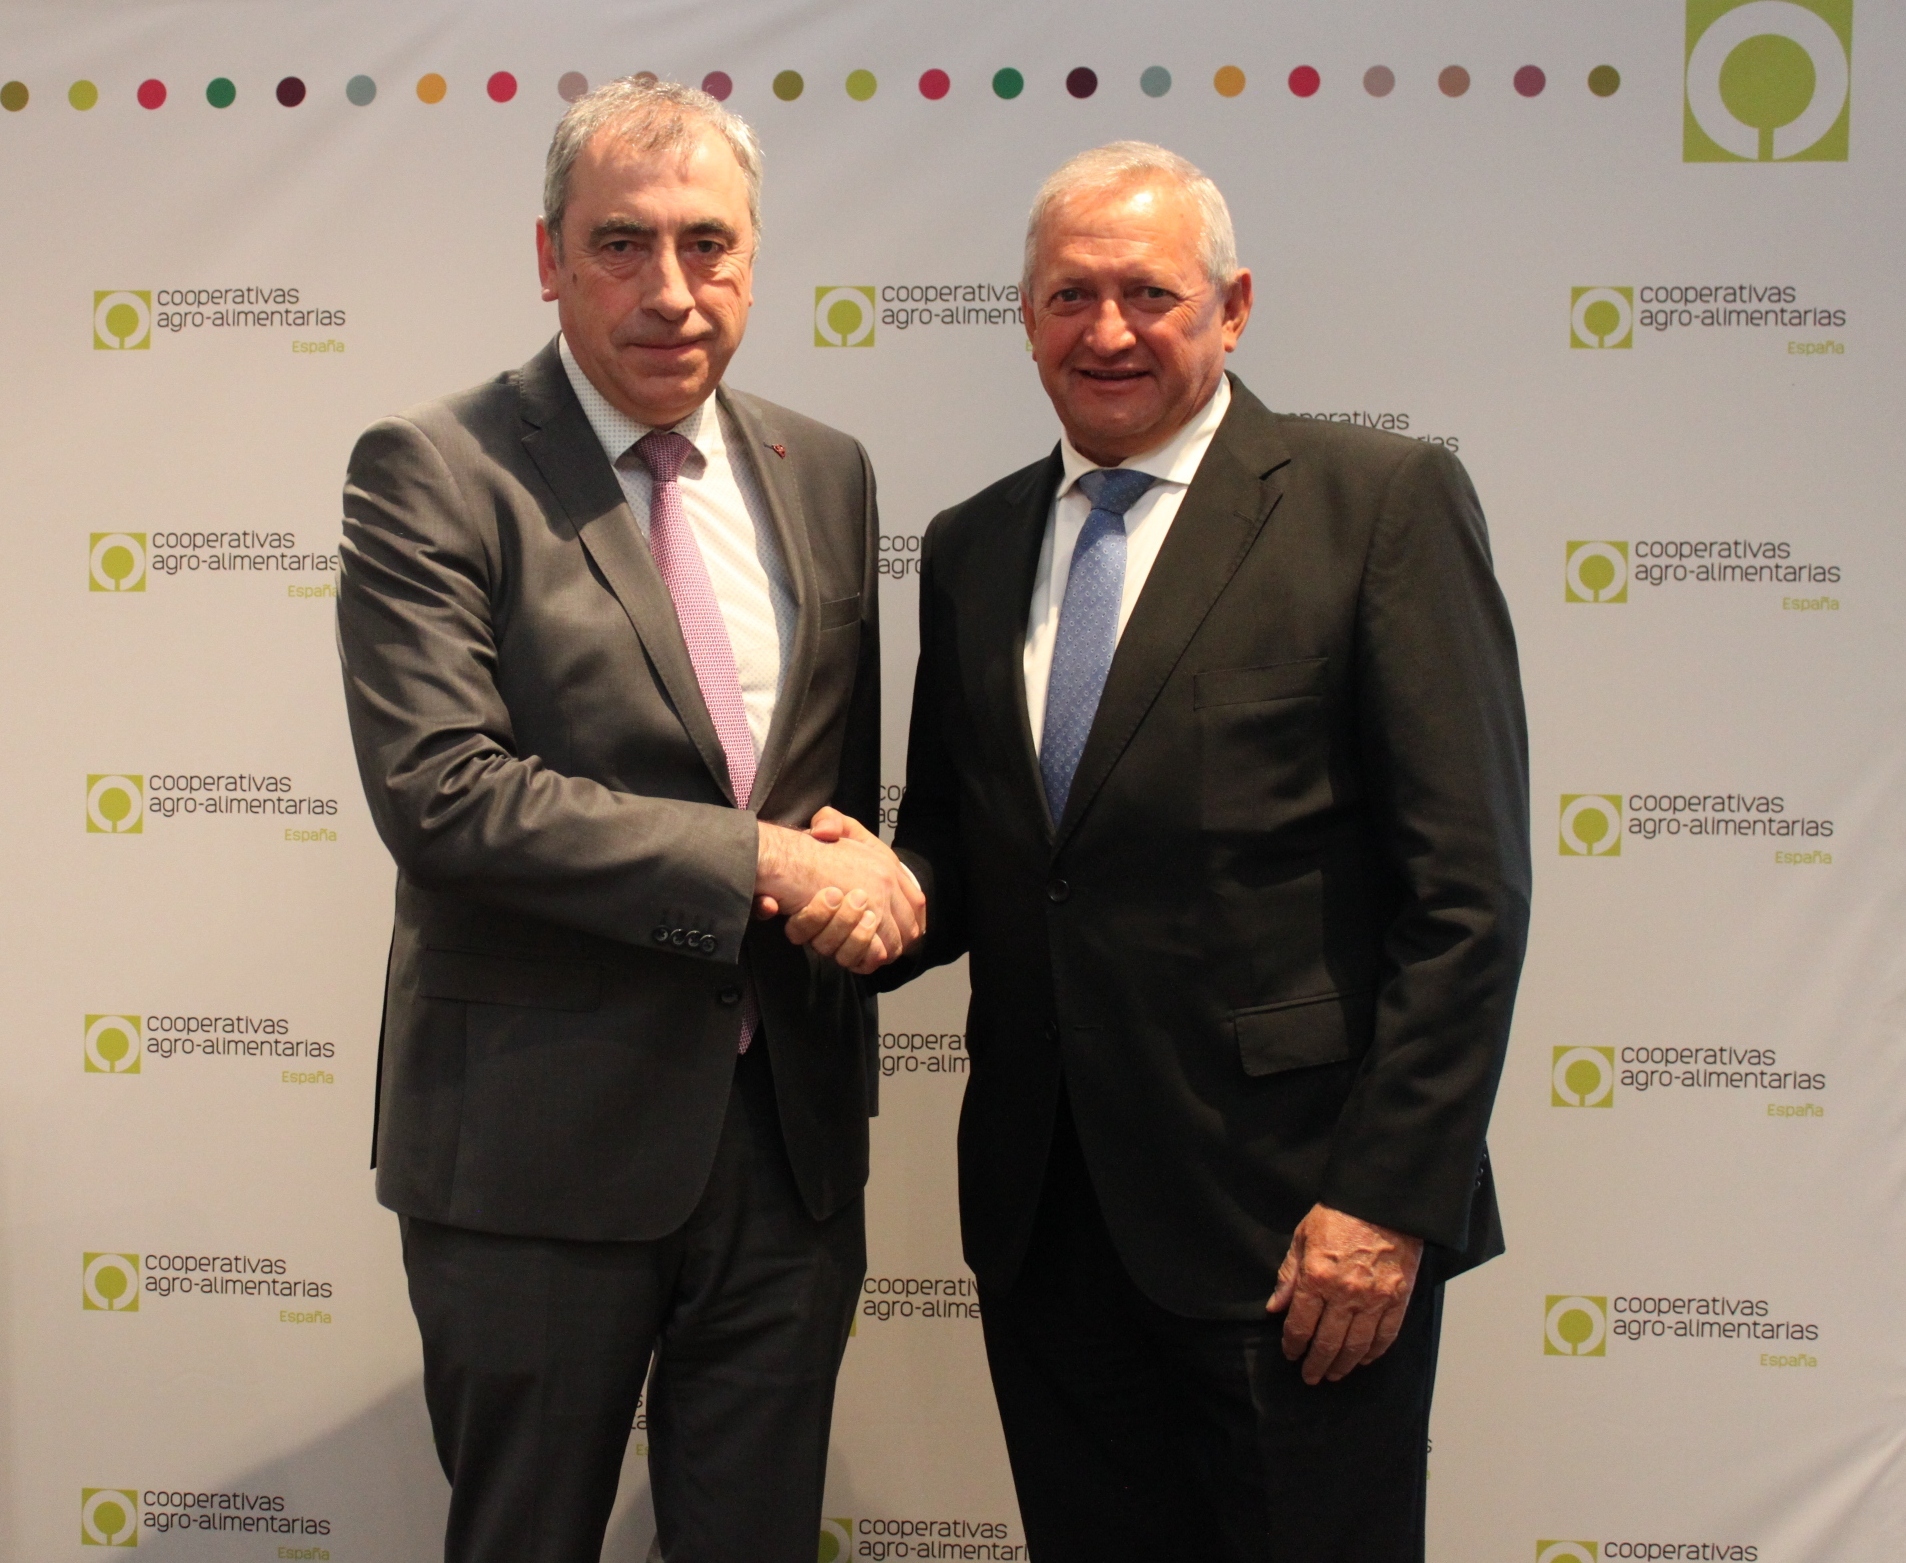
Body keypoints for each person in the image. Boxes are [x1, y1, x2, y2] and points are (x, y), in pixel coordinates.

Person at [794, 141, 1530, 1561]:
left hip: (1295, 1233)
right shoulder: (972, 544)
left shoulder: (1378, 504)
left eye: (1150, 293)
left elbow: (1467, 899)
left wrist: (1384, 1202)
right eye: (1071, 295)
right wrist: (877, 891)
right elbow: (968, 843)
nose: (1108, 330)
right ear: (1025, 318)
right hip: (1047, 1225)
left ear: (1232, 308)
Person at [336, 77, 918, 1563]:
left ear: (753, 258)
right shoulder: (436, 468)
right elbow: (443, 794)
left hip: (786, 1148)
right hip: (535, 1146)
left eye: (708, 244)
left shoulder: (825, 469)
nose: (671, 290)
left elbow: (822, 789)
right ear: (549, 258)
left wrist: (859, 869)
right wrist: (759, 863)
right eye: (621, 244)